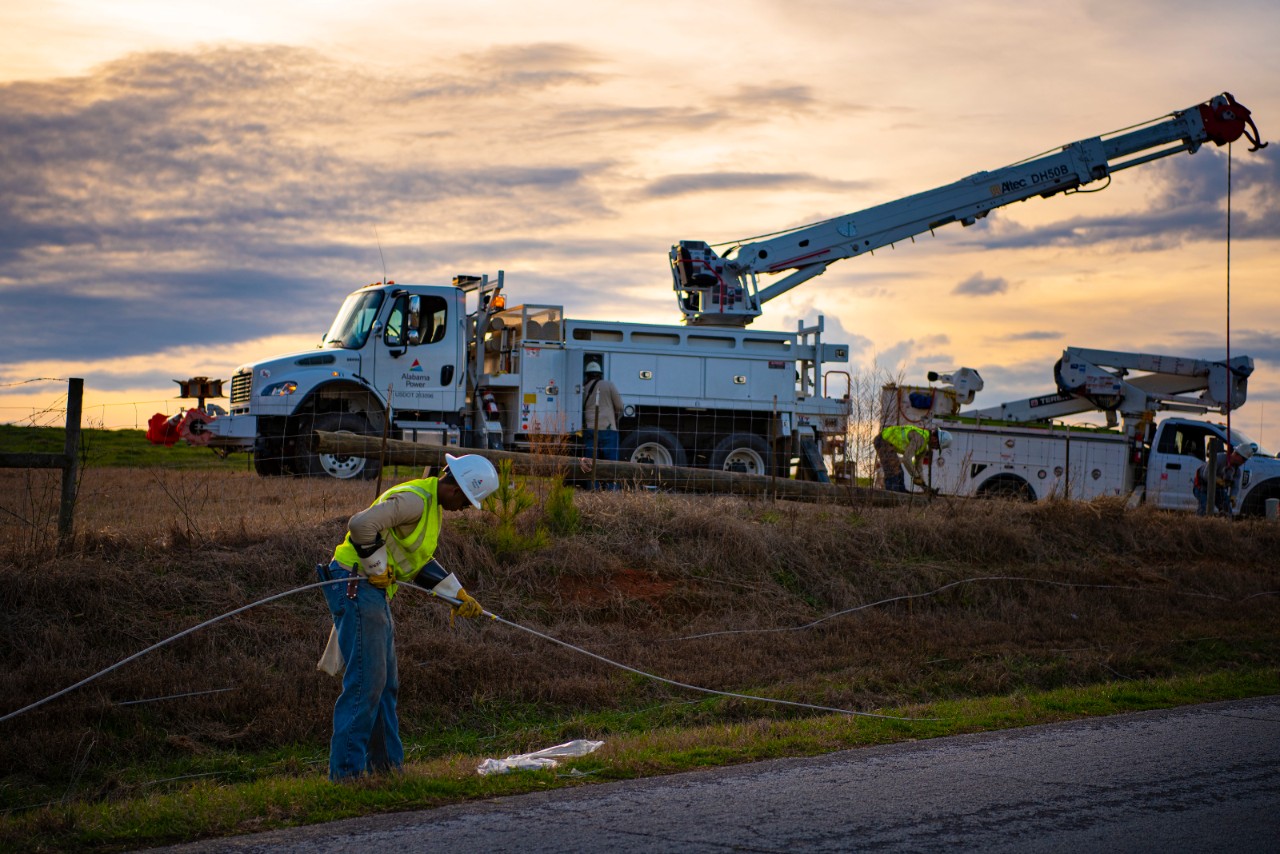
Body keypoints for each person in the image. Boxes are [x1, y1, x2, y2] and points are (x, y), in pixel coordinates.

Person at [316, 452, 499, 781]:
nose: (467, 509)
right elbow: (360, 525)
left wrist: (456, 595)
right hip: (355, 585)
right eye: (469, 501)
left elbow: (416, 563)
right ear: (456, 488)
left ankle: (386, 771)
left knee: (384, 684)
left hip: (371, 591)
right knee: (367, 683)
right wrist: (377, 566)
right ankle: (346, 776)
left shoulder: (431, 508)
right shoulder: (416, 499)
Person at [582, 360, 625, 484]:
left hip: (591, 428)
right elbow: (620, 406)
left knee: (590, 463)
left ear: (587, 374)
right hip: (608, 428)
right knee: (611, 464)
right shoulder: (609, 385)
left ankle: (591, 488)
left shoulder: (584, 388)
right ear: (600, 374)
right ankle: (611, 491)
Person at [873, 425, 952, 493]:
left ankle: (901, 496)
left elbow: (919, 467)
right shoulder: (920, 439)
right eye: (937, 446)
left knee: (900, 473)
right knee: (893, 472)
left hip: (888, 444)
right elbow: (906, 459)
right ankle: (891, 500)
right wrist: (916, 477)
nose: (935, 449)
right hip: (882, 440)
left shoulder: (924, 447)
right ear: (935, 439)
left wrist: (924, 486)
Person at [1194, 442, 1255, 516]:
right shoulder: (1219, 458)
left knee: (1227, 510)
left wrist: (1233, 496)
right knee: (1204, 507)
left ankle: (1226, 525)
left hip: (1218, 490)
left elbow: (1235, 486)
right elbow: (1205, 475)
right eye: (1244, 459)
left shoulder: (1236, 471)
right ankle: (1199, 523)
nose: (1244, 462)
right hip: (1202, 487)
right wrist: (1218, 480)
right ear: (1236, 454)